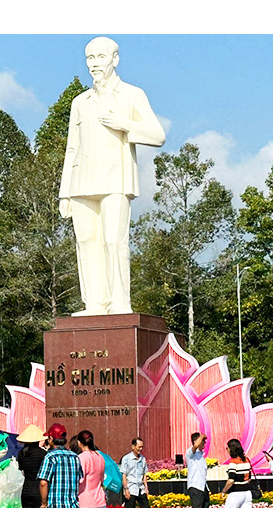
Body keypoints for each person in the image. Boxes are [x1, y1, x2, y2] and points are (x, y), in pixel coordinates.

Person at [57, 36, 164, 315]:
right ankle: (94, 303)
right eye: (90, 58)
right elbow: (72, 147)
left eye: (100, 57)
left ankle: (119, 303)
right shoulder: (80, 102)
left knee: (113, 241)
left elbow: (158, 135)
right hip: (82, 182)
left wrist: (124, 124)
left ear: (114, 59)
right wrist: (65, 191)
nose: (94, 64)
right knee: (86, 242)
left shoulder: (131, 94)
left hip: (115, 180)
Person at [218, 439, 267, 508]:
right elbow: (249, 478)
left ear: (231, 449)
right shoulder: (246, 460)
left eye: (227, 448)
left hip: (235, 494)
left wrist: (224, 491)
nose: (227, 450)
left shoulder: (233, 462)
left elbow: (231, 480)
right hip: (247, 493)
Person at [172, 432, 212, 508]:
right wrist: (203, 436)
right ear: (196, 442)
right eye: (202, 441)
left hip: (203, 487)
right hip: (195, 487)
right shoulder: (191, 453)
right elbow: (195, 446)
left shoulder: (201, 455)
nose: (204, 443)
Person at [17, 425, 51, 508]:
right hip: (39, 490)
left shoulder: (21, 454)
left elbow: (22, 471)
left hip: (26, 489)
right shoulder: (43, 454)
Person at [119, 436, 150, 508]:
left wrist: (146, 488)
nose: (140, 449)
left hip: (140, 488)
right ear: (133, 447)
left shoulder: (143, 459)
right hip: (131, 487)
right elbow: (124, 474)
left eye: (142, 447)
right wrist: (126, 489)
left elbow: (144, 474)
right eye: (138, 447)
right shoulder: (126, 459)